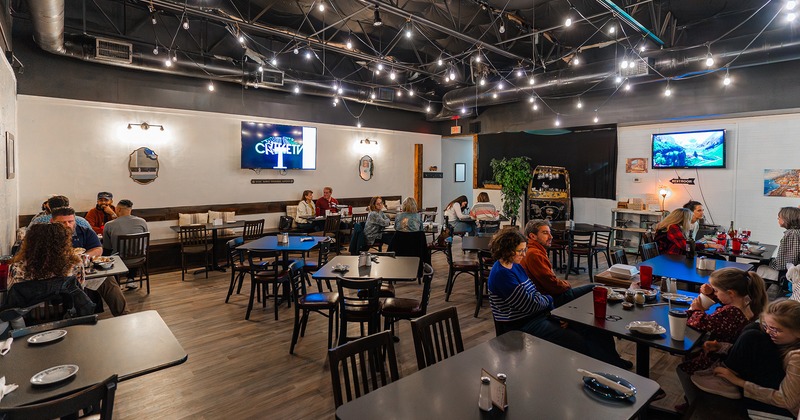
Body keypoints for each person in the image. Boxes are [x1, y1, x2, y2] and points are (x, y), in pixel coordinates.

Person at [487, 228, 631, 369]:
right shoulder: (502, 274)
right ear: (506, 250)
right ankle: (601, 370)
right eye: (520, 251)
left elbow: (534, 294)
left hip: (539, 315)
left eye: (524, 250)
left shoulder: (514, 266)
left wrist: (554, 313)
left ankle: (613, 364)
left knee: (593, 327)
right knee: (577, 340)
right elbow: (528, 305)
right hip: (522, 324)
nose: (524, 254)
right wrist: (549, 301)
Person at [691, 300, 800, 417]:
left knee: (753, 336)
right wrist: (721, 347)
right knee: (754, 328)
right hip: (769, 385)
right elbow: (756, 353)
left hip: (780, 411)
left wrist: (739, 382)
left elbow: (787, 401)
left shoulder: (797, 358)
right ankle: (727, 374)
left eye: (775, 330)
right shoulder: (787, 341)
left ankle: (727, 383)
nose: (768, 331)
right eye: (767, 326)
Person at [51, 207, 128, 316]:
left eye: (70, 221)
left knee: (108, 279)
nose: (67, 225)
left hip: (85, 271)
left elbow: (98, 249)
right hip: (59, 276)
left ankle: (123, 315)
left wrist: (85, 256)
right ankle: (82, 318)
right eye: (62, 222)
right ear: (52, 222)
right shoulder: (47, 236)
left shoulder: (84, 231)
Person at [520, 219, 595, 307]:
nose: (551, 236)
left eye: (550, 232)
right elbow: (551, 284)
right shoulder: (534, 253)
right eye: (545, 233)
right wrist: (567, 284)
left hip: (547, 295)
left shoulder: (533, 250)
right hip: (550, 299)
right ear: (533, 236)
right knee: (595, 288)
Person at [8, 223, 85, 289]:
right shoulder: (75, 265)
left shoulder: (18, 267)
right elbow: (80, 288)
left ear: (30, 242)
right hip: (64, 305)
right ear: (64, 243)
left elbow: (12, 291)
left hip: (28, 305)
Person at [102, 199, 148, 290]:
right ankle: (131, 279)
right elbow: (145, 243)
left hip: (120, 260)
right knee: (134, 249)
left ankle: (115, 282)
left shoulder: (109, 225)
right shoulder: (142, 222)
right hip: (140, 258)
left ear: (118, 209)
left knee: (108, 254)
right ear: (130, 210)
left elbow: (107, 247)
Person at [759, 207, 800, 288]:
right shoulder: (796, 232)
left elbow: (785, 264)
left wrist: (771, 262)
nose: (778, 218)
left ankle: (758, 296)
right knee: (764, 261)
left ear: (787, 219)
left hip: (788, 273)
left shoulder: (792, 234)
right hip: (794, 269)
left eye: (780, 216)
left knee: (753, 267)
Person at [28, 195, 92, 229]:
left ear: (49, 207)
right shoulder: (81, 221)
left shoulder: (39, 221)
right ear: (68, 206)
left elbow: (27, 237)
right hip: (80, 251)